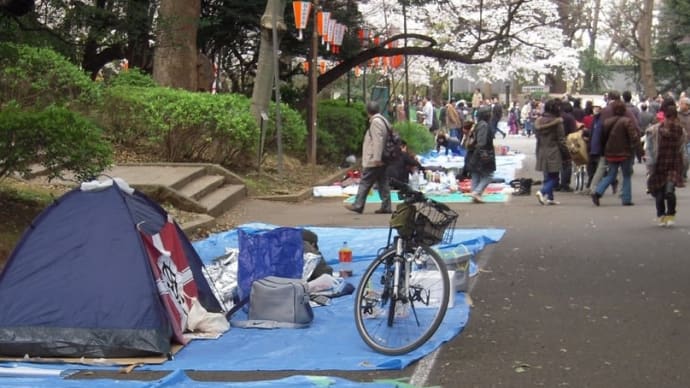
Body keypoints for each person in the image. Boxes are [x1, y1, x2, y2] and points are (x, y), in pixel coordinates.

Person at [591, 100, 644, 206]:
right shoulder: (627, 121)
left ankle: (597, 192)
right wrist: (640, 152)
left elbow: (603, 138)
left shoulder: (607, 122)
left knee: (611, 174)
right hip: (625, 152)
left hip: (610, 152)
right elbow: (634, 138)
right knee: (626, 175)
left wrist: (603, 150)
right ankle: (626, 198)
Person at [345, 101, 392, 214]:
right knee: (383, 182)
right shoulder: (384, 120)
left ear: (368, 112)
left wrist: (376, 158)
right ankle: (386, 206)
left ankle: (358, 205)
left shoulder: (375, 122)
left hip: (375, 159)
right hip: (384, 158)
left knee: (365, 181)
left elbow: (377, 141)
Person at [645, 103, 686, 226]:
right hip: (659, 164)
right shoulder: (655, 130)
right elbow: (650, 148)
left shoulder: (680, 131)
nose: (670, 121)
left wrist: (684, 164)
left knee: (669, 191)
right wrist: (650, 163)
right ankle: (661, 215)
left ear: (675, 118)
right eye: (668, 118)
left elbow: (682, 148)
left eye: (672, 118)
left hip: (673, 164)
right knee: (659, 194)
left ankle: (671, 214)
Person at [534, 99, 566, 205]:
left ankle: (550, 198)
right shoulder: (558, 122)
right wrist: (566, 153)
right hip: (554, 151)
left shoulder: (538, 121)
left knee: (547, 175)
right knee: (555, 177)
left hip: (541, 150)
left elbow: (537, 137)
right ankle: (542, 192)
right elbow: (561, 140)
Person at [463, 107, 495, 203]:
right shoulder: (484, 125)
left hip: (475, 153)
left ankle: (474, 193)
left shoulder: (478, 125)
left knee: (476, 174)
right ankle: (477, 192)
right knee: (489, 175)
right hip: (483, 153)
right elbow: (482, 142)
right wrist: (483, 152)